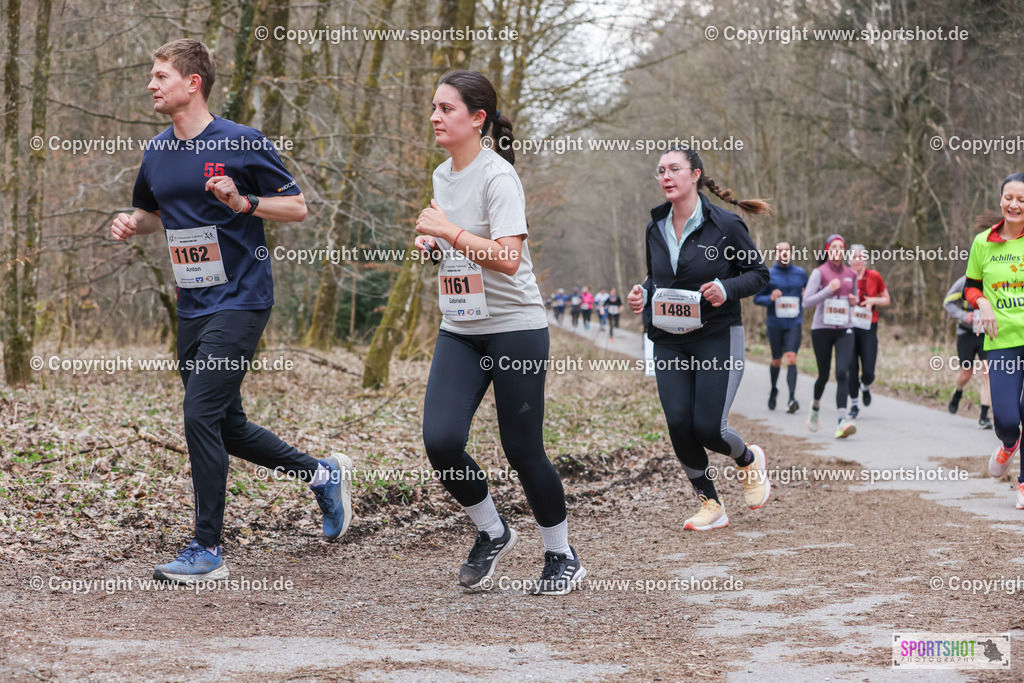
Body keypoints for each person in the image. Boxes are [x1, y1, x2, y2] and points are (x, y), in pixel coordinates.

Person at [110, 39, 353, 584]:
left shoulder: (242, 142)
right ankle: (322, 475)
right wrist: (130, 222)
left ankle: (207, 548)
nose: (151, 84)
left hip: (242, 299)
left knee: (199, 415)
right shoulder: (157, 151)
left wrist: (244, 203)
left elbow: (297, 207)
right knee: (226, 423)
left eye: (161, 75)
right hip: (193, 304)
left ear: (192, 82)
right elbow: (152, 213)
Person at [415, 69, 586, 595]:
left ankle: (561, 554)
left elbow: (508, 258)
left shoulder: (499, 177)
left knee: (522, 448)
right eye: (434, 107)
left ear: (477, 118)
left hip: (515, 329)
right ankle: (493, 531)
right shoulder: (442, 175)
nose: (435, 117)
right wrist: (436, 246)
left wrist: (448, 231)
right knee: (441, 441)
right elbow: (461, 248)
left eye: (446, 109)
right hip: (461, 327)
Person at [627, 146, 771, 531]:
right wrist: (642, 293)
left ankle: (748, 460)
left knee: (708, 428)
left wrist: (726, 288)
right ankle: (711, 503)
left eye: (674, 168)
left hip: (716, 335)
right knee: (678, 423)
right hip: (667, 338)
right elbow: (657, 279)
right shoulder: (655, 227)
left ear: (695, 175)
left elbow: (759, 274)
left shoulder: (725, 225)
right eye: (660, 171)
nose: (665, 176)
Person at [965, 173, 1024, 507]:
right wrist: (982, 302)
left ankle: (1023, 484)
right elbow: (970, 286)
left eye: (1022, 200)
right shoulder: (983, 242)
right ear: (1000, 199)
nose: (1014, 205)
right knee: (1005, 419)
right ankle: (1009, 443)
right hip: (1002, 341)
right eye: (1009, 198)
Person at [802, 234, 858, 438]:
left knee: (842, 372)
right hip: (822, 329)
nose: (837, 251)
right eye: (833, 247)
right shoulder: (819, 272)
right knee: (823, 375)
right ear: (827, 250)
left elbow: (855, 298)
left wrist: (854, 301)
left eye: (840, 247)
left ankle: (842, 421)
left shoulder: (852, 273)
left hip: (845, 328)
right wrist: (827, 290)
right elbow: (806, 302)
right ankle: (815, 406)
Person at [753, 241, 807, 413]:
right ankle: (774, 389)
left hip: (794, 323)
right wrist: (770, 298)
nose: (784, 254)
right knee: (776, 360)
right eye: (780, 251)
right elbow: (757, 299)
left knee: (791, 358)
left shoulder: (801, 273)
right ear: (776, 255)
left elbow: (808, 293)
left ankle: (792, 398)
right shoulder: (768, 274)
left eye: (787, 251)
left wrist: (806, 295)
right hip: (775, 324)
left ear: (791, 253)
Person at [943, 274, 992, 428]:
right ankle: (958, 392)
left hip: (986, 334)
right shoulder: (963, 282)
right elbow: (948, 302)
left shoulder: (994, 278)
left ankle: (984, 417)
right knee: (966, 374)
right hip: (966, 334)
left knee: (987, 373)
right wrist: (963, 315)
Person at [847, 245, 890, 419]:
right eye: (854, 257)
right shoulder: (845, 276)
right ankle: (854, 405)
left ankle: (865, 385)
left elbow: (886, 299)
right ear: (849, 260)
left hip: (868, 326)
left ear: (865, 259)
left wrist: (873, 300)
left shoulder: (874, 276)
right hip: (848, 327)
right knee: (851, 368)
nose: (857, 260)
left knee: (869, 370)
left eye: (860, 257)